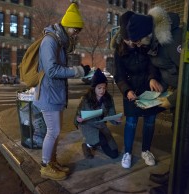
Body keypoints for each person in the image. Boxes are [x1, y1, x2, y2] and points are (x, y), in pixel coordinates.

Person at [126, 7, 182, 193]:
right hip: (176, 95)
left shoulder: (174, 40)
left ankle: (176, 186)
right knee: (177, 135)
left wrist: (172, 100)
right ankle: (173, 175)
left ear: (147, 34)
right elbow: (162, 69)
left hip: (183, 98)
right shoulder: (154, 42)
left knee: (185, 140)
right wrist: (154, 80)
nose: (139, 45)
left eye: (139, 41)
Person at [33, 1, 90, 181]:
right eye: (76, 29)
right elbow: (51, 70)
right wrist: (77, 71)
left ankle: (52, 161)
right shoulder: (50, 41)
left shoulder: (59, 41)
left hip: (55, 94)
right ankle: (45, 166)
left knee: (55, 131)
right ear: (67, 26)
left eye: (79, 30)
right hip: (49, 94)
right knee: (53, 131)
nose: (77, 33)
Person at [112, 11, 163, 169]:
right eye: (127, 40)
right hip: (131, 90)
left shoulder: (144, 44)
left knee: (150, 121)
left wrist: (152, 78)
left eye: (132, 40)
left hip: (148, 88)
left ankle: (146, 150)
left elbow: (152, 65)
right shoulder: (119, 52)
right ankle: (127, 152)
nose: (131, 43)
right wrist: (126, 90)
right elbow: (119, 76)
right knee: (132, 122)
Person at [75, 68, 121, 160]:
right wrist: (79, 119)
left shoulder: (108, 98)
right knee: (102, 139)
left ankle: (97, 142)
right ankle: (87, 145)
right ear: (94, 88)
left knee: (114, 154)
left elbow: (112, 114)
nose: (102, 90)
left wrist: (116, 120)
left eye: (104, 88)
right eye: (99, 88)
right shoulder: (86, 99)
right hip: (88, 125)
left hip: (101, 125)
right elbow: (78, 115)